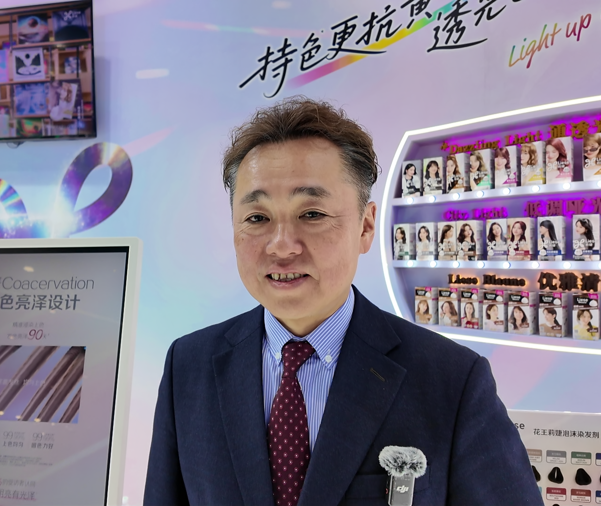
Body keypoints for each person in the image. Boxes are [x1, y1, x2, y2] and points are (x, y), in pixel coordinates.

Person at [144, 97, 541, 506]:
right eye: (257, 218)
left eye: (312, 214)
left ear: (366, 227)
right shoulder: (188, 368)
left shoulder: (452, 381)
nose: (281, 246)